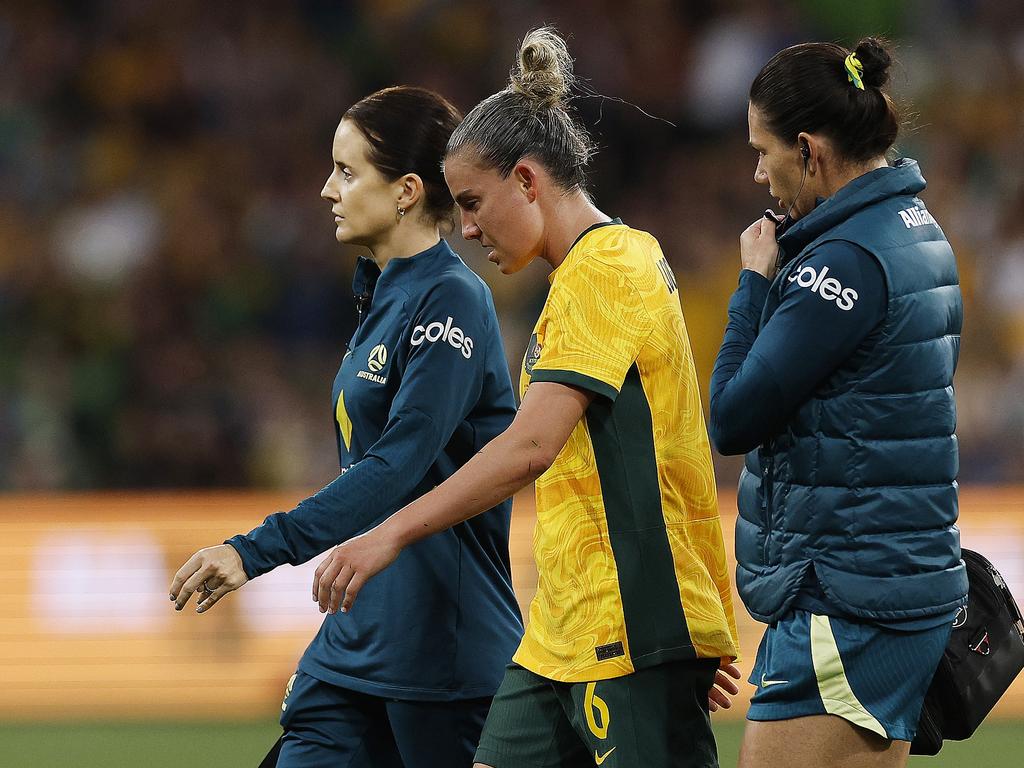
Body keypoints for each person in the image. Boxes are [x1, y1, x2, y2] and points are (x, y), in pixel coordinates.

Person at [310, 28, 741, 768]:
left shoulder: (608, 268)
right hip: (562, 629)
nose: (468, 228)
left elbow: (532, 446)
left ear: (529, 181)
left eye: (474, 203)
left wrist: (387, 532)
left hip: (627, 623)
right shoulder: (577, 279)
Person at [167, 86, 524, 768]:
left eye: (347, 171)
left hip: (439, 655)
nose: (326, 189)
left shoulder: (452, 299)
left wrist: (255, 550)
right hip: (354, 643)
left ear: (407, 191)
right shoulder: (379, 297)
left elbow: (397, 464)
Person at [707, 39, 968, 768]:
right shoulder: (921, 231)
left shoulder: (842, 262)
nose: (759, 174)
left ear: (809, 149)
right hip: (898, 583)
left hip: (845, 593)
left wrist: (755, 283)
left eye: (764, 153)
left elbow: (730, 417)